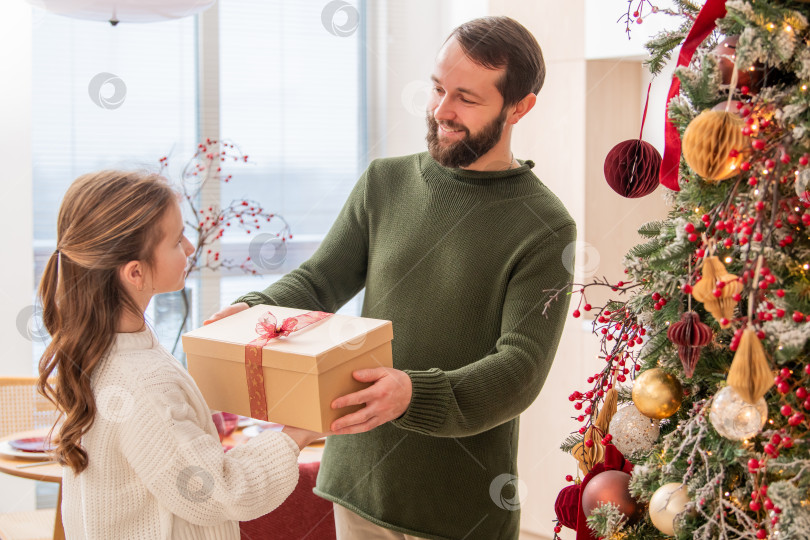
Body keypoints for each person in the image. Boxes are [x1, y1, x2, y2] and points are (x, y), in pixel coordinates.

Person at [207, 16, 576, 540]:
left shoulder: (544, 225)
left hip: (459, 508)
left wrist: (411, 395)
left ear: (519, 107)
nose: (440, 111)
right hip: (356, 483)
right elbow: (319, 282)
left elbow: (520, 369)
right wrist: (256, 308)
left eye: (466, 98)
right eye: (436, 88)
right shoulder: (385, 182)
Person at [37, 170, 325, 539]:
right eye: (176, 241)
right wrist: (297, 434)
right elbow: (222, 492)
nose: (190, 248)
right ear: (135, 273)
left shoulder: (101, 353)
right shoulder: (143, 382)